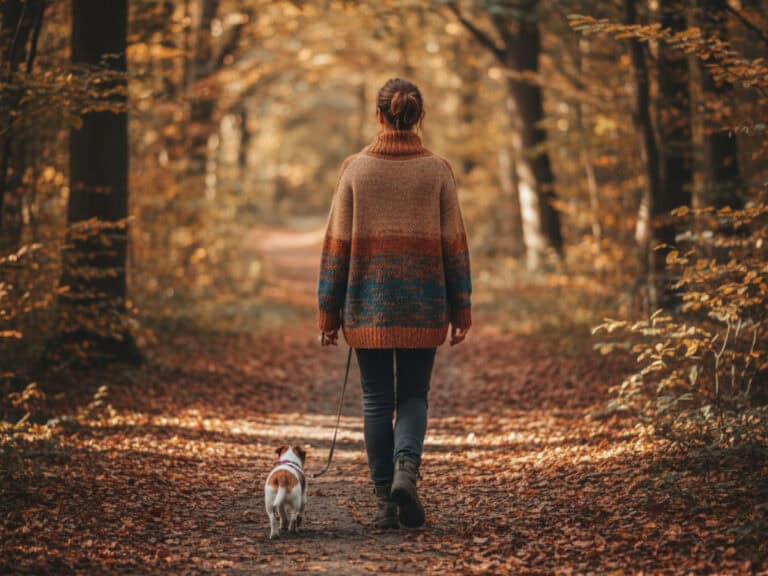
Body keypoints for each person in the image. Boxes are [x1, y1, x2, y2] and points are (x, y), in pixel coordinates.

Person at [317, 77, 472, 529]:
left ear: (379, 115)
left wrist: (329, 311)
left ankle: (387, 498)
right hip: (424, 305)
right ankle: (408, 469)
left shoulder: (355, 170)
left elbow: (336, 246)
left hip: (368, 306)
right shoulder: (438, 169)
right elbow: (454, 245)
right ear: (418, 116)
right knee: (413, 395)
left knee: (376, 399)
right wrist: (461, 309)